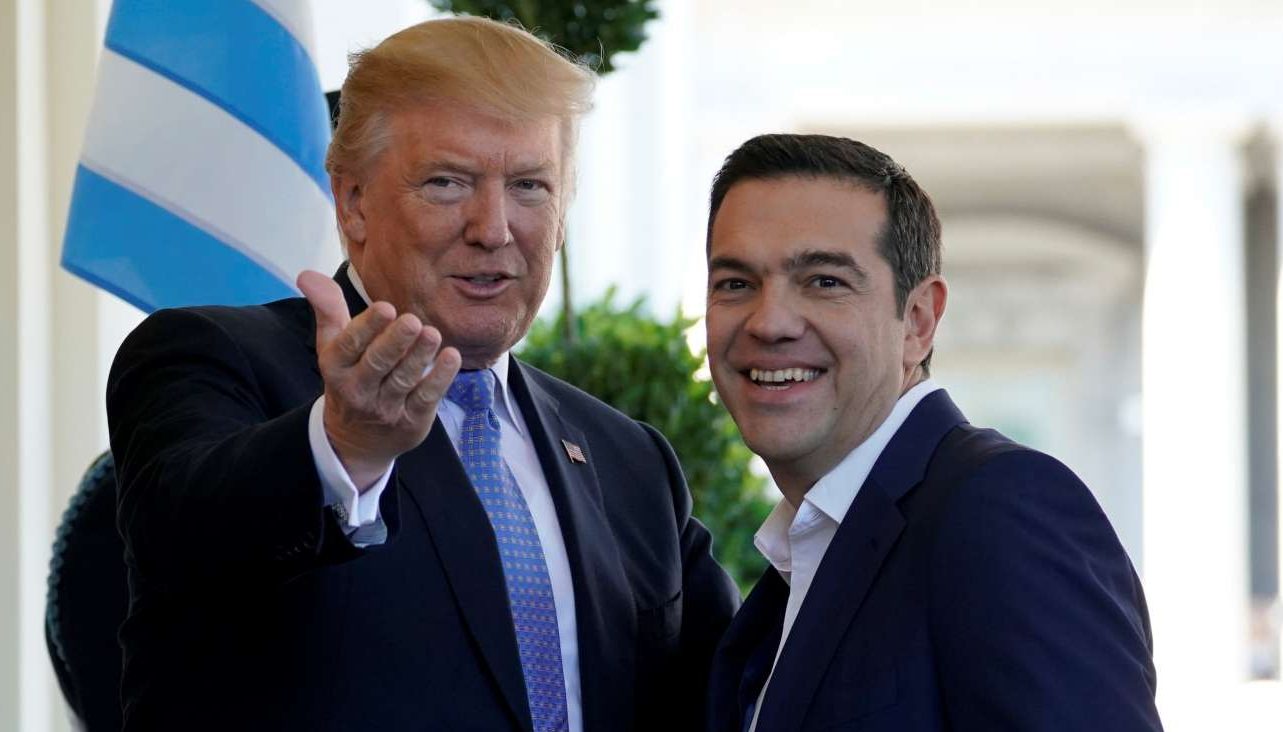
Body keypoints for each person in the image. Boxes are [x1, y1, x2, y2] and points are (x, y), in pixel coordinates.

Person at [107, 17, 737, 732]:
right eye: (447, 182)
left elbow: (740, 686)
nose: (493, 228)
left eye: (530, 186)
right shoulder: (213, 357)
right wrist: (343, 448)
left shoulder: (630, 458)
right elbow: (181, 539)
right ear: (353, 202)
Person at [702, 133, 1162, 731]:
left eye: (824, 281)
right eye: (736, 283)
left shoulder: (1000, 510)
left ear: (918, 322)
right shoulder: (800, 562)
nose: (770, 323)